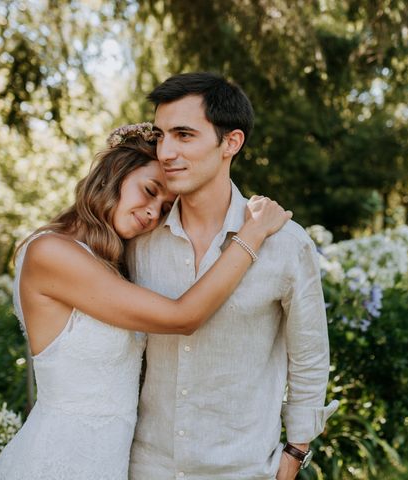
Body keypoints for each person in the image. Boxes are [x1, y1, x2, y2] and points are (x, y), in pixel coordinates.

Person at [0, 123, 291, 480]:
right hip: (55, 462)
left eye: (164, 209)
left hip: (109, 466)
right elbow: (183, 317)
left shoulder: (109, 264)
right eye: (149, 191)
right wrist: (250, 235)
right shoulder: (51, 252)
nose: (152, 213)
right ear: (114, 173)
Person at [128, 72, 338, 480]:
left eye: (184, 135)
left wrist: (295, 453)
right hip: (147, 466)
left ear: (231, 142)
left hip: (244, 468)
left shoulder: (286, 244)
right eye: (161, 135)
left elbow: (310, 356)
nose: (166, 151)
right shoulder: (141, 238)